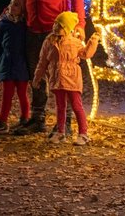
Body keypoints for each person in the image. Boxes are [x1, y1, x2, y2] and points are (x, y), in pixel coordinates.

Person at [11, 0, 86, 135]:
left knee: (62, 74)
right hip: (32, 27)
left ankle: (67, 122)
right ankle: (38, 117)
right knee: (36, 71)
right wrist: (10, 13)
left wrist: (79, 23)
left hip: (57, 31)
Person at [32, 11, 100, 145]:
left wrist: (93, 41)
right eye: (56, 24)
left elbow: (85, 54)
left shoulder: (75, 42)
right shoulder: (49, 41)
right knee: (60, 106)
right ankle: (60, 132)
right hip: (57, 79)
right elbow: (42, 62)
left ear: (68, 28)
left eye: (60, 25)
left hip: (72, 79)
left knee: (76, 105)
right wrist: (37, 77)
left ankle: (83, 133)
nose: (56, 27)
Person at [0, 0, 30, 135]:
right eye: (11, 3)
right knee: (7, 94)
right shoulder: (4, 24)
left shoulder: (25, 25)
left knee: (22, 93)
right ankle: (2, 122)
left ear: (22, 9)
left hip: (21, 65)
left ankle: (25, 119)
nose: (12, 7)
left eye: (16, 5)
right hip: (7, 64)